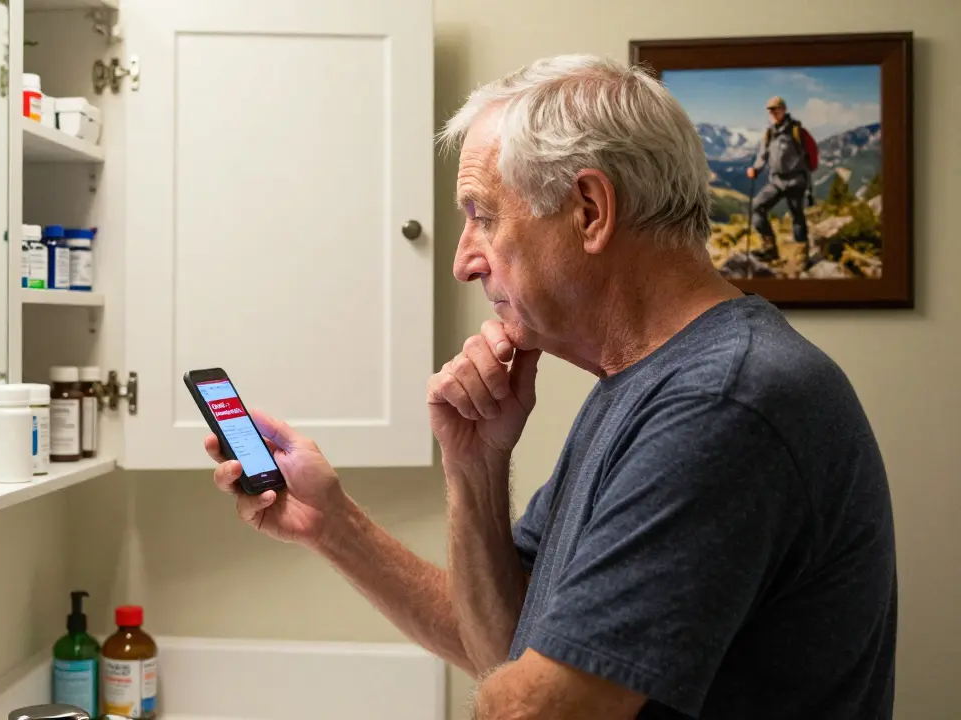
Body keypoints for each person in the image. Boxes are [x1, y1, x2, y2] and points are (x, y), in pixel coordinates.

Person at [203, 55, 896, 719]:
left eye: (481, 214)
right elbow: (511, 647)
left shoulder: (721, 403)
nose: (462, 261)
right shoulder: (643, 382)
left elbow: (536, 707)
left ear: (591, 209)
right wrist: (446, 480)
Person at [746, 96, 814, 265]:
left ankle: (801, 254)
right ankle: (770, 249)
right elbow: (763, 156)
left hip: (795, 181)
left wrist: (807, 175)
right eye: (770, 111)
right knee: (757, 207)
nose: (773, 113)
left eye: (776, 109)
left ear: (783, 109)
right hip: (776, 181)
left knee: (797, 215)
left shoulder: (796, 130)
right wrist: (755, 168)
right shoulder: (770, 133)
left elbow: (811, 154)